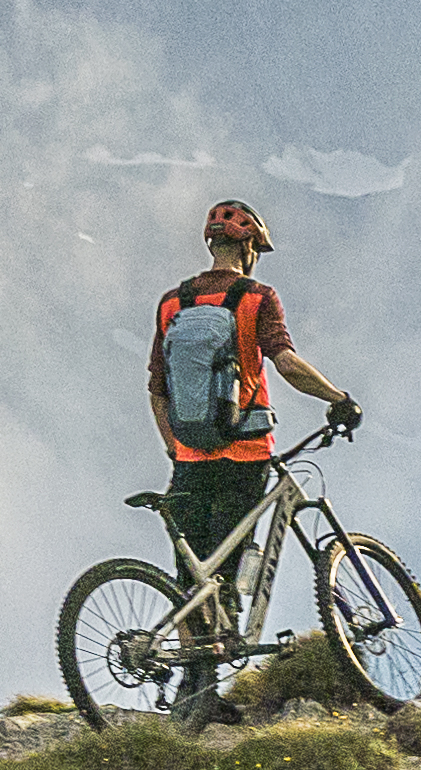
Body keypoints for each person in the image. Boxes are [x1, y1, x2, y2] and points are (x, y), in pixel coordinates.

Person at [145, 198, 360, 608]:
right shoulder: (258, 297)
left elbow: (158, 387)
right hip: (244, 454)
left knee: (192, 579)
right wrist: (339, 399)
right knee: (226, 570)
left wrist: (175, 447)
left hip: (190, 456)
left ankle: (197, 667)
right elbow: (287, 365)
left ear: (212, 244)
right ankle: (220, 646)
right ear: (249, 248)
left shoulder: (172, 302)